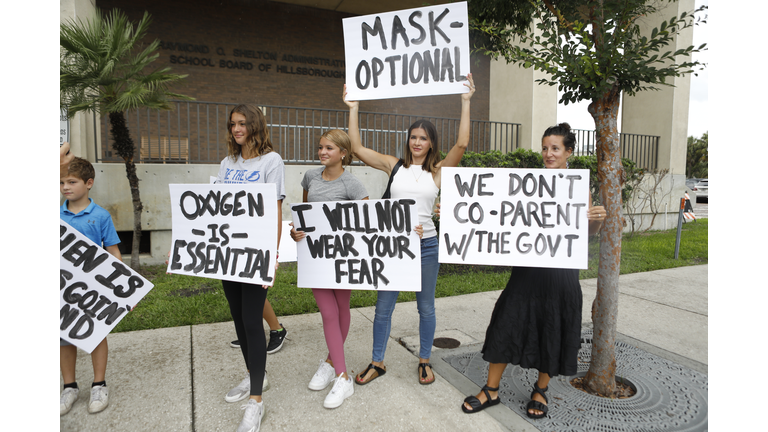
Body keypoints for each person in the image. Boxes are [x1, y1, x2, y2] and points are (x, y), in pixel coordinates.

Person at [460, 123, 606, 419]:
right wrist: (458, 212)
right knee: (506, 323)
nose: (548, 154)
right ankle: (491, 389)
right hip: (527, 271)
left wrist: (596, 219)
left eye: (555, 148)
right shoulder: (527, 183)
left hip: (561, 275)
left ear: (569, 152)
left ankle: (541, 390)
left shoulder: (578, 187)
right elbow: (496, 214)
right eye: (545, 148)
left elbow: (585, 234)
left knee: (552, 329)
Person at [344, 73, 476, 386]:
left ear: (431, 143)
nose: (417, 142)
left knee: (425, 307)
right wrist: (353, 107)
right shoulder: (395, 166)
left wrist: (465, 101)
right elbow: (357, 147)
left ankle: (425, 360)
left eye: (423, 138)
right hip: (394, 247)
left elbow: (462, 143)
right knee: (383, 308)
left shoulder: (439, 171)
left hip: (426, 247)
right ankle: (377, 362)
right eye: (413, 137)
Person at [216, 104, 285, 432]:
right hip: (228, 251)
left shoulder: (271, 161)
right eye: (233, 124)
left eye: (242, 123)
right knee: (238, 319)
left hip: (256, 251)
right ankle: (255, 374)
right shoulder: (227, 163)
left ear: (255, 126)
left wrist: (272, 255)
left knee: (251, 320)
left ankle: (256, 401)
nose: (236, 129)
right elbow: (216, 208)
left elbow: (275, 210)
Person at [288, 129, 370, 408]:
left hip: (343, 259)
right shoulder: (310, 177)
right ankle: (341, 374)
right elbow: (304, 213)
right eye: (321, 147)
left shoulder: (352, 184)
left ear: (343, 153)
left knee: (341, 308)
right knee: (328, 312)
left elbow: (369, 223)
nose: (322, 152)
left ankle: (332, 365)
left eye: (329, 148)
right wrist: (296, 232)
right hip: (315, 258)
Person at [60, 157, 122, 416]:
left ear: (89, 183)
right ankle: (69, 387)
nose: (65, 187)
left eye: (71, 182)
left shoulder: (101, 216)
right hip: (63, 290)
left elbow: (113, 252)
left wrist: (121, 290)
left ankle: (99, 384)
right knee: (63, 338)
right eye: (61, 182)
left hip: (93, 292)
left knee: (96, 335)